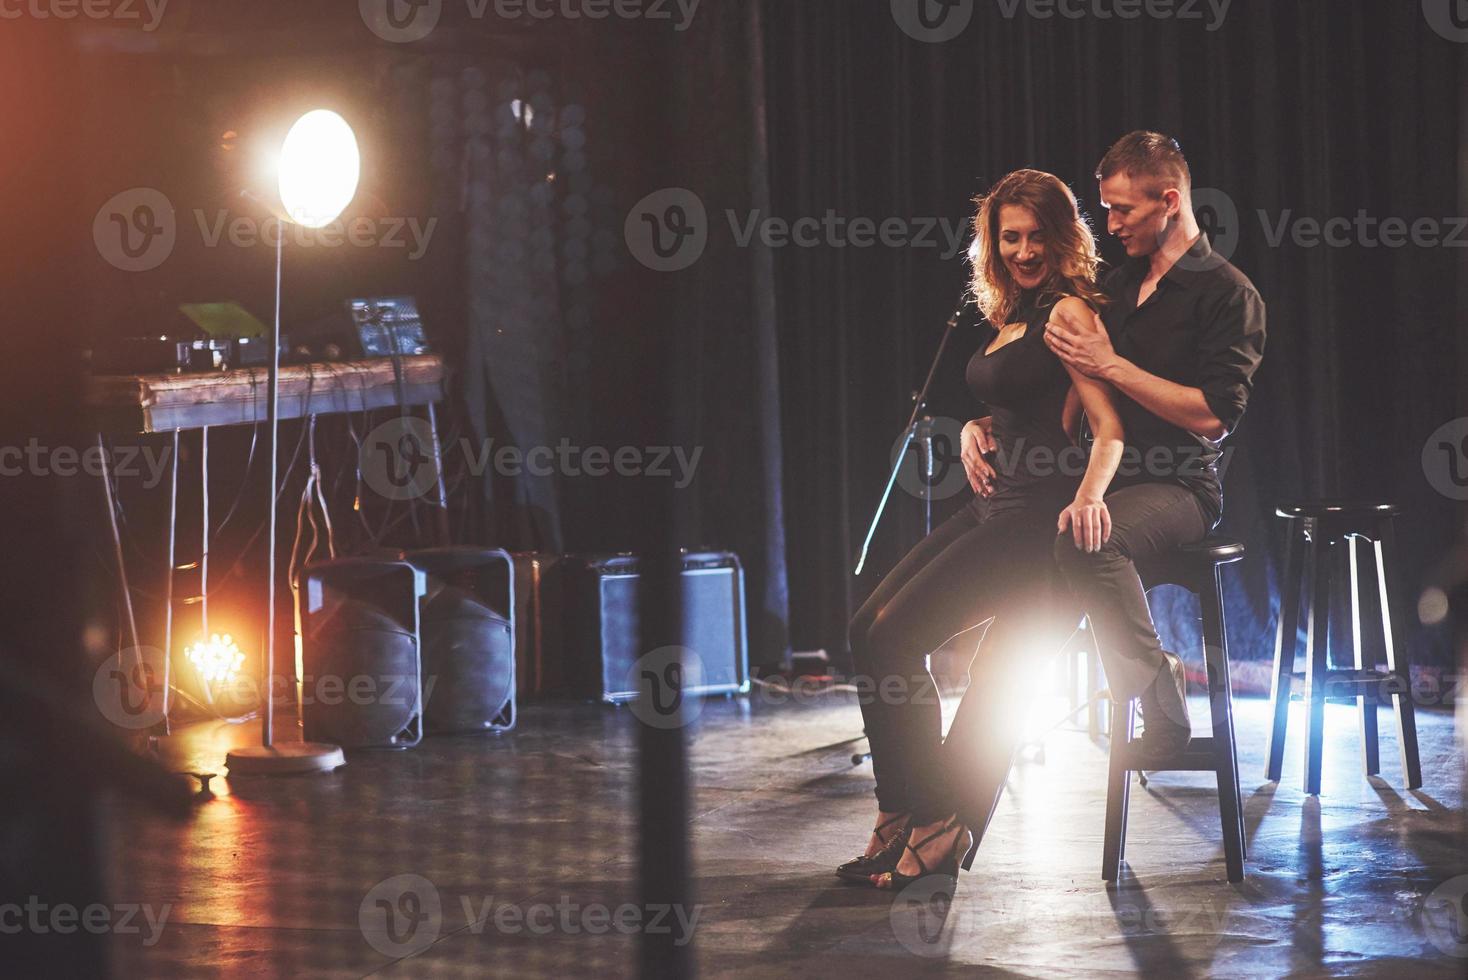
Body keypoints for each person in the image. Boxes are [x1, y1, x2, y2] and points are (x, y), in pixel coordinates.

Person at [841, 170, 1126, 890]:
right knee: (864, 631)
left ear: (1062, 238)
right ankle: (902, 811)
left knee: (895, 637)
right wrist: (975, 426)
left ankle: (931, 817)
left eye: (1037, 236)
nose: (1024, 250)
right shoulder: (1013, 313)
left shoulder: (1069, 315)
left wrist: (1088, 499)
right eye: (1011, 237)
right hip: (992, 503)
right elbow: (1021, 403)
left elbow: (1109, 429)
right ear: (992, 244)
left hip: (1034, 518)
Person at [1041, 131, 1267, 766]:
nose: (1109, 224)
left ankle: (1158, 686)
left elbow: (1212, 417)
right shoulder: (1117, 284)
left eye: (1122, 210)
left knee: (1088, 539)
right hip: (1107, 470)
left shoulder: (1228, 294)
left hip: (1180, 486)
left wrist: (1112, 365)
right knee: (1025, 530)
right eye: (1105, 208)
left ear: (1170, 201)